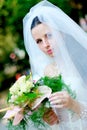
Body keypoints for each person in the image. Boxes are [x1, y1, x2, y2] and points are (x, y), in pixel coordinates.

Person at [23, 0, 87, 130]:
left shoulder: (82, 61)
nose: (45, 44)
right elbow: (61, 118)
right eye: (39, 41)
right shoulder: (45, 72)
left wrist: (74, 105)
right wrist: (53, 119)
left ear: (62, 33)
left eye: (49, 35)